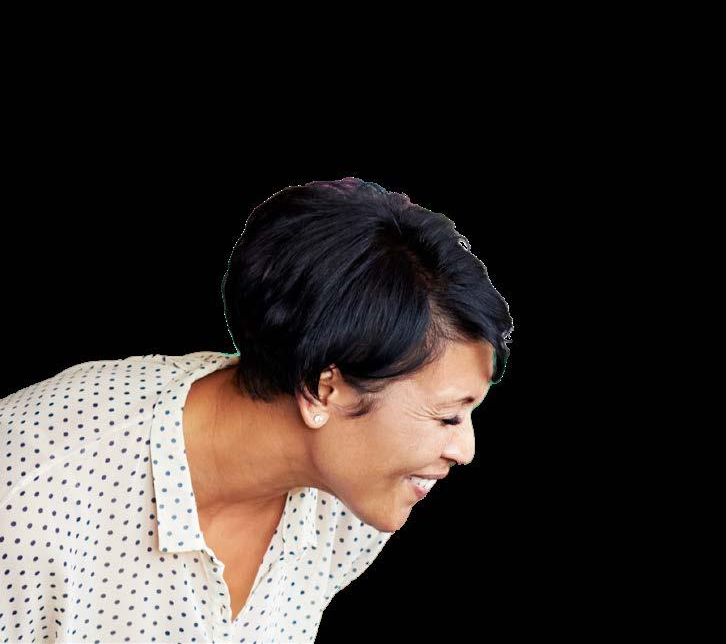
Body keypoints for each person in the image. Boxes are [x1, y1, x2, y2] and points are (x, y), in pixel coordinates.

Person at [0, 176, 513, 643]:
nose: (465, 450)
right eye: (447, 416)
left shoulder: (352, 494)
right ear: (324, 391)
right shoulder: (29, 500)